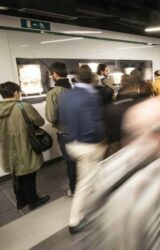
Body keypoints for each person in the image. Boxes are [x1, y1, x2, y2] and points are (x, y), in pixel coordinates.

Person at [0, 82, 50, 210]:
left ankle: (21, 201)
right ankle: (33, 201)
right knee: (29, 174)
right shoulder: (24, 106)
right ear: (15, 92)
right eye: (19, 91)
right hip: (25, 146)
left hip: (8, 149)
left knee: (16, 175)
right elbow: (40, 121)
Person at [59, 65, 106, 234]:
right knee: (84, 184)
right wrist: (100, 140)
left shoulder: (66, 95)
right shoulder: (91, 95)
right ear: (92, 79)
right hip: (88, 145)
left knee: (94, 175)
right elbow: (91, 124)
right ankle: (74, 221)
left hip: (71, 143)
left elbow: (62, 119)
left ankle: (102, 199)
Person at [45, 62, 76, 197]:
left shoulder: (53, 93)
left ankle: (74, 189)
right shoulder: (75, 90)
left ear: (55, 74)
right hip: (80, 130)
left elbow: (51, 117)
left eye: (51, 74)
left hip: (65, 133)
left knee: (71, 162)